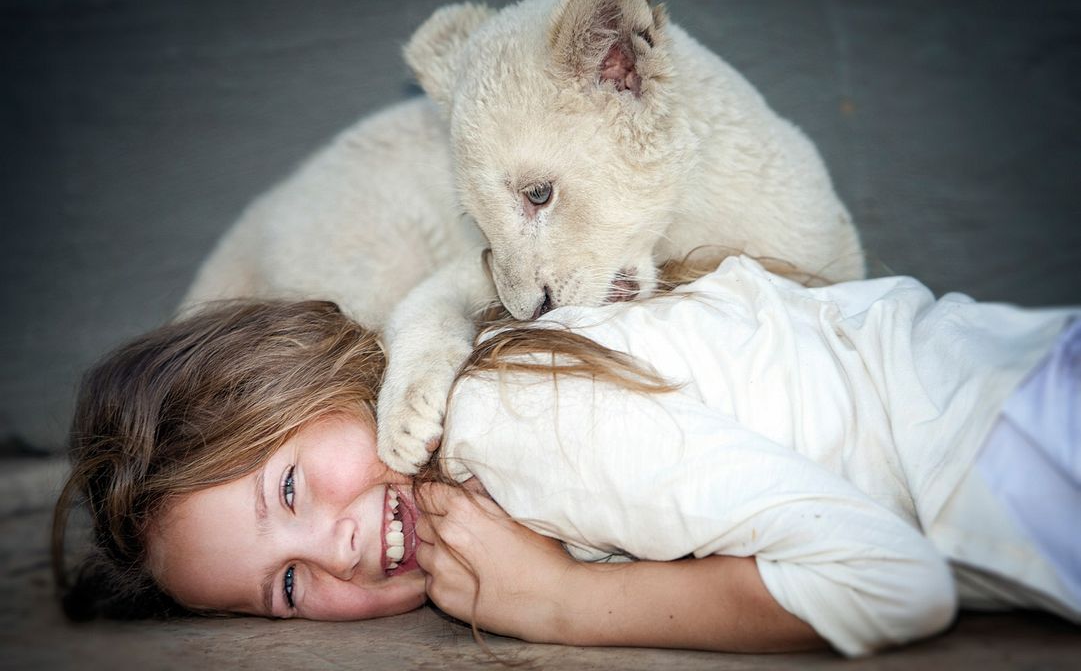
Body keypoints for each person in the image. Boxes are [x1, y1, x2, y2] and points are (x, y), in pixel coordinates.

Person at [52, 255, 1079, 657]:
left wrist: (559, 606)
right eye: (284, 586)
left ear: (308, 377)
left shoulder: (511, 425)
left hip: (1022, 432)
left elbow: (891, 582)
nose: (340, 547)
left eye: (289, 487)